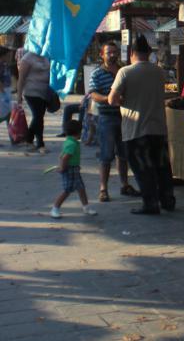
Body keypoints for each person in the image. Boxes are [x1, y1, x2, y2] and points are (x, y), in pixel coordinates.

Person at [108, 34, 175, 216]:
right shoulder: (159, 72)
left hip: (136, 129)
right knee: (162, 167)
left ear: (132, 53)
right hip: (158, 127)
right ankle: (168, 200)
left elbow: (112, 99)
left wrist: (124, 101)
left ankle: (150, 203)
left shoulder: (125, 72)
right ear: (149, 52)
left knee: (143, 169)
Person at [88, 42, 139, 202]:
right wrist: (110, 99)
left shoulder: (124, 71)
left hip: (125, 116)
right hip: (106, 118)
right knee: (106, 154)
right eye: (109, 52)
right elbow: (93, 94)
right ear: (102, 55)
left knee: (123, 154)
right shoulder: (97, 73)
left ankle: (125, 185)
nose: (112, 55)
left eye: (115, 52)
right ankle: (103, 189)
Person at [50, 119, 97, 219]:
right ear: (78, 132)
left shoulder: (70, 142)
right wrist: (62, 168)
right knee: (67, 190)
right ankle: (55, 208)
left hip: (74, 169)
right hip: (69, 170)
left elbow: (61, 156)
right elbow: (64, 158)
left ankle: (86, 207)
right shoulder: (72, 144)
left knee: (81, 188)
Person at [16, 50, 50, 152]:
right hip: (31, 92)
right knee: (38, 116)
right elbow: (21, 78)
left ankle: (29, 140)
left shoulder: (45, 56)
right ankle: (40, 144)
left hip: (44, 92)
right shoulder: (27, 58)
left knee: (39, 117)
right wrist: (19, 96)